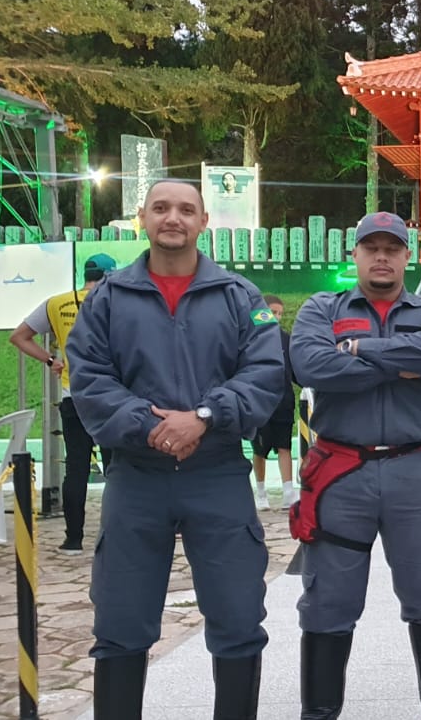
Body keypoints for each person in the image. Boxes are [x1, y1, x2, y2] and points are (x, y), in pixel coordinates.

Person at [66, 180, 283, 717]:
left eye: (186, 210)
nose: (173, 218)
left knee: (237, 617)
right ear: (142, 217)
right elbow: (90, 380)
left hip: (217, 474)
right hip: (137, 476)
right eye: (161, 208)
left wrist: (205, 418)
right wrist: (152, 427)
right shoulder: (110, 299)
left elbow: (265, 371)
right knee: (120, 620)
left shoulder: (239, 296)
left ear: (204, 222)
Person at [287, 211, 421, 719]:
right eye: (372, 247)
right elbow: (310, 365)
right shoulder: (324, 308)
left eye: (393, 247)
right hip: (341, 472)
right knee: (327, 601)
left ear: (408, 256)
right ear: (357, 254)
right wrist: (401, 366)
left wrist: (361, 350)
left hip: (416, 471)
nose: (382, 256)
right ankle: (319, 713)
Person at [8, 253, 119, 555]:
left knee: (76, 468)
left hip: (74, 396)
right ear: (109, 275)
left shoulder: (56, 303)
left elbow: (18, 336)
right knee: (117, 469)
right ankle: (116, 535)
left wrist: (51, 360)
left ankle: (73, 540)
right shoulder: (117, 301)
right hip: (112, 398)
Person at [250, 294, 298, 510]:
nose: (277, 317)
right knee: (260, 450)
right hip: (260, 403)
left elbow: (295, 370)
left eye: (280, 313)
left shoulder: (287, 339)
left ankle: (288, 491)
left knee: (284, 446)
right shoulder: (252, 338)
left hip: (284, 402)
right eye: (273, 312)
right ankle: (261, 492)